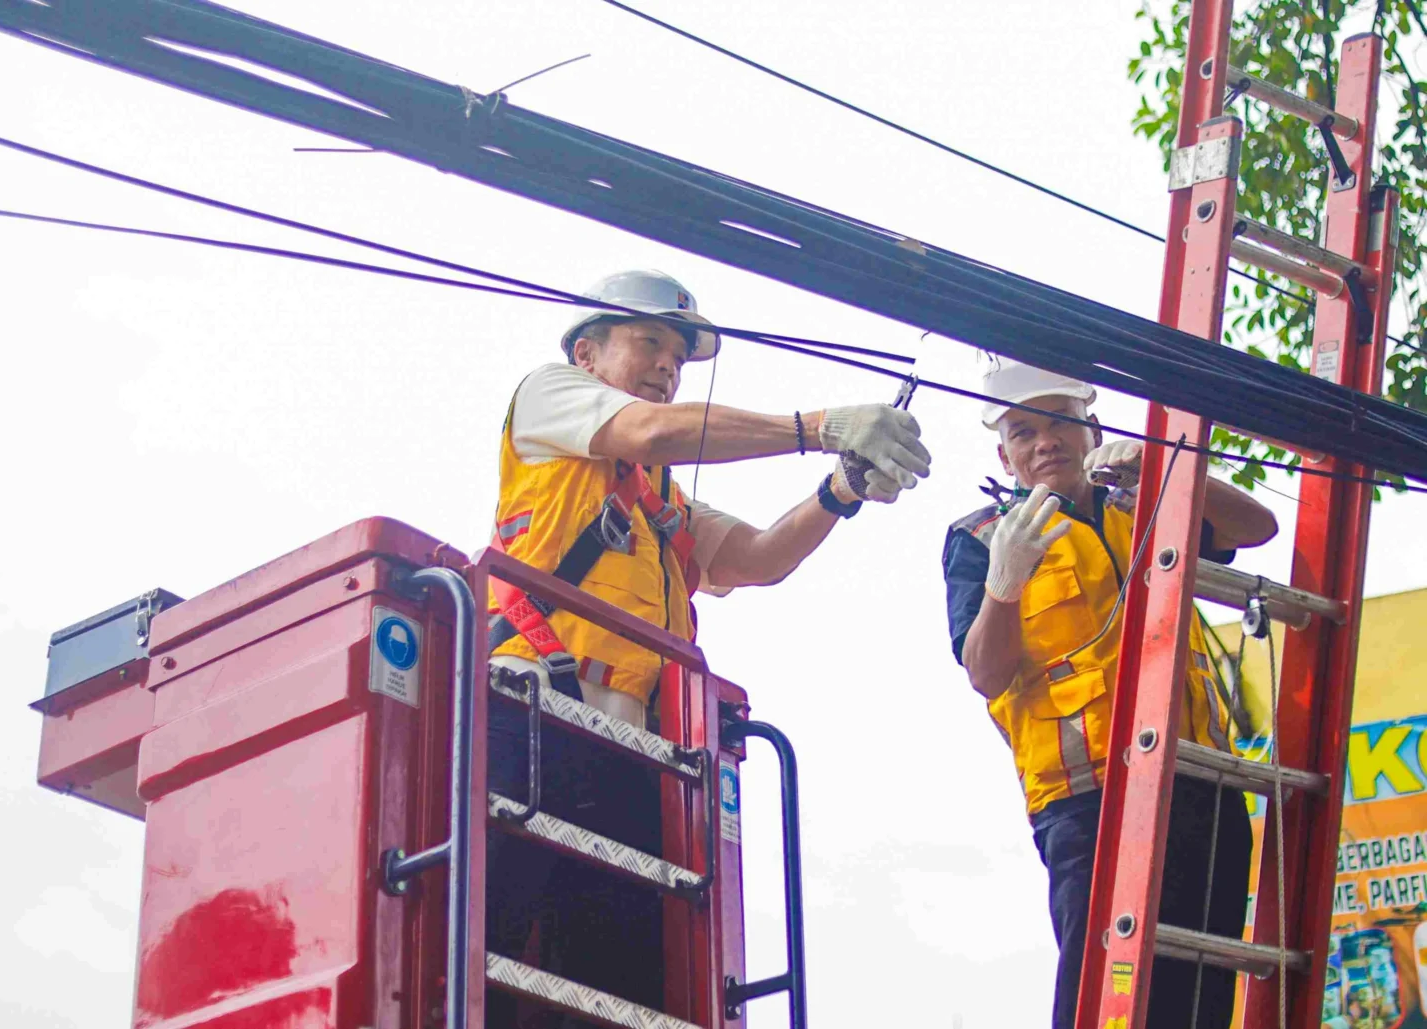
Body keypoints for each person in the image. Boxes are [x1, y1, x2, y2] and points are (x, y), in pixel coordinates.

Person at [485, 269, 932, 1025]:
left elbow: (755, 557)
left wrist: (840, 490)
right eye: (651, 343)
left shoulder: (660, 497)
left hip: (631, 753)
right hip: (527, 717)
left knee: (612, 991)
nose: (669, 364)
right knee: (492, 956)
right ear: (587, 353)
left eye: (680, 357)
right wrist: (818, 425)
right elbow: (651, 428)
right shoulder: (547, 393)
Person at [941, 357, 1277, 1029]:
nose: (1046, 443)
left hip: (1197, 785)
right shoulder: (979, 539)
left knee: (1200, 1000)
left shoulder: (1147, 504)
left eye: (1062, 422)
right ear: (1003, 455)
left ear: (1093, 428)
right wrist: (1005, 583)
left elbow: (1256, 527)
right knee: (1102, 999)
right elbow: (984, 670)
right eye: (1024, 431)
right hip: (1087, 804)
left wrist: (1172, 471)